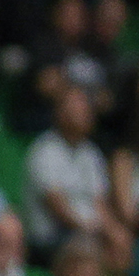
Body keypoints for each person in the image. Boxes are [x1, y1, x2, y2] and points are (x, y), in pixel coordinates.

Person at [26, 86, 109, 253]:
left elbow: (99, 203)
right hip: (51, 239)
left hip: (87, 233)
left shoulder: (91, 153)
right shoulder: (44, 150)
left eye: (85, 111)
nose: (82, 116)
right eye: (75, 110)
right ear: (59, 113)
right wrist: (88, 230)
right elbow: (56, 206)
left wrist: (112, 232)